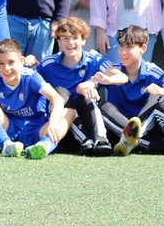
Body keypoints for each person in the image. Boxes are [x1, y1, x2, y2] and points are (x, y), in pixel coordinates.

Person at [35, 17, 124, 155]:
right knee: (60, 92)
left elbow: (122, 77)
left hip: (89, 115)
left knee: (88, 96)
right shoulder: (48, 64)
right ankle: (87, 140)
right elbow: (30, 82)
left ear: (83, 40)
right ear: (58, 41)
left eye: (75, 38)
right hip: (62, 121)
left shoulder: (94, 59)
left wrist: (105, 80)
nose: (70, 43)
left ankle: (102, 140)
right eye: (65, 38)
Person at [101, 25, 164, 156]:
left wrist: (162, 91)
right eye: (121, 47)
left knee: (158, 100)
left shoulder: (153, 71)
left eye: (129, 47)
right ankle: (155, 145)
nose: (123, 52)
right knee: (102, 106)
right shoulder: (112, 70)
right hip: (118, 129)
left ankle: (136, 140)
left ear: (143, 49)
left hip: (147, 127)